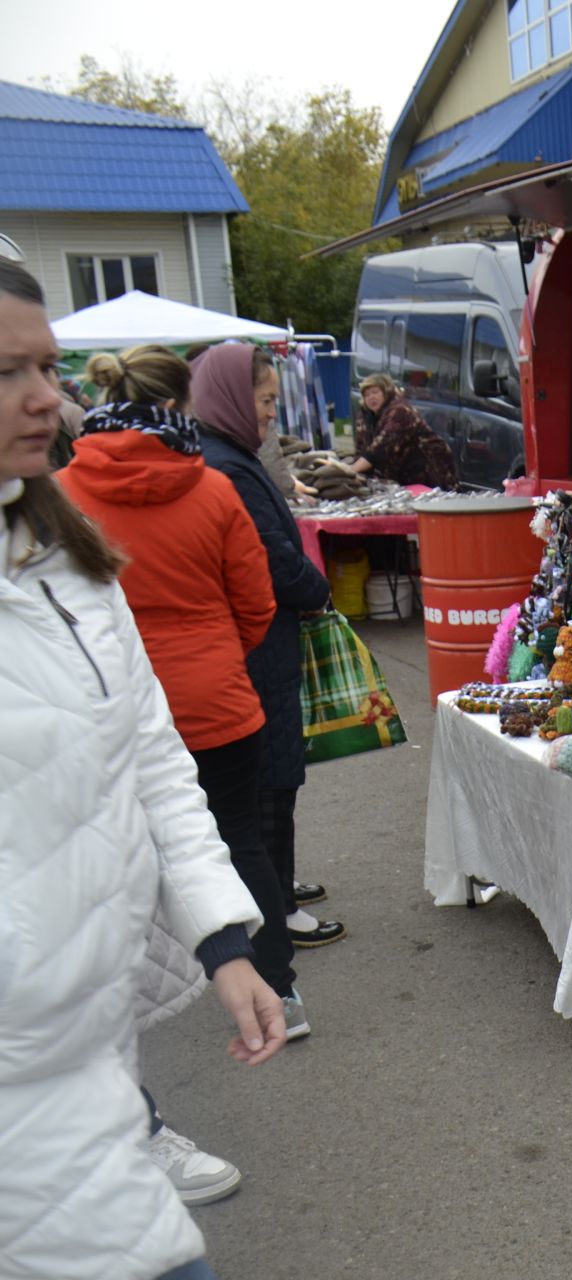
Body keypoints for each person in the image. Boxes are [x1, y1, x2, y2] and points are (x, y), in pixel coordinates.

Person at [0, 258, 285, 1279]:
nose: (48, 397)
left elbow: (154, 763)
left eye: (46, 366)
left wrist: (224, 939)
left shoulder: (65, 555)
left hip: (91, 1057)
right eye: (7, 371)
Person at [60, 345, 317, 1033]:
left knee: (116, 850)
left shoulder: (59, 493)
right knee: (238, 839)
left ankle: (122, 1010)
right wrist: (218, 654)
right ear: (178, 405)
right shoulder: (214, 487)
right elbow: (257, 599)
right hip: (217, 697)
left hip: (107, 706)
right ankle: (279, 996)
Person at [193, 344, 347, 949]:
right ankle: (275, 907)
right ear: (233, 398)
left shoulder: (226, 456)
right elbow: (273, 562)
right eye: (263, 402)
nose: (269, 416)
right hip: (256, 648)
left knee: (271, 778)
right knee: (270, 780)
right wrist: (317, 587)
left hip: (256, 644)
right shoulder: (228, 466)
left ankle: (277, 885)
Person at [350, 373, 455, 488]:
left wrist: (350, 471)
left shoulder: (400, 411)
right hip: (400, 476)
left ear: (386, 392)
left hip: (429, 472)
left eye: (375, 392)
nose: (371, 397)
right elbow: (361, 449)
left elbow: (381, 449)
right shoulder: (365, 416)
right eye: (367, 395)